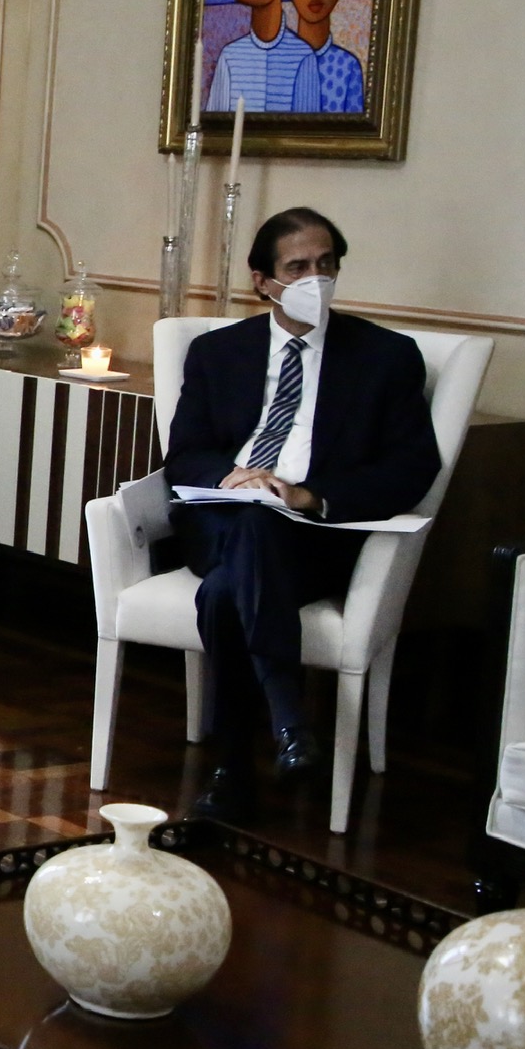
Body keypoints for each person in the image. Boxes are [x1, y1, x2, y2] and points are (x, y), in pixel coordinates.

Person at [166, 208, 439, 821]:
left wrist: (310, 495)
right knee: (251, 520)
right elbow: (184, 453)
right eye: (297, 268)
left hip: (313, 536)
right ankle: (289, 719)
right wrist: (235, 476)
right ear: (263, 281)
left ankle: (236, 770)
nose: (315, 279)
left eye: (326, 264)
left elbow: (412, 467)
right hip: (223, 519)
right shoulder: (218, 352)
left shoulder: (385, 356)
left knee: (223, 593)